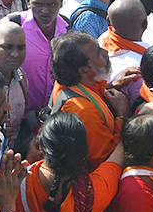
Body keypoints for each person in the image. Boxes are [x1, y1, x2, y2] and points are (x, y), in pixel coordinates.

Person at [50, 31, 137, 166]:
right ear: (83, 71)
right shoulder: (84, 111)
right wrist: (122, 116)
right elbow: (106, 159)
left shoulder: (69, 80)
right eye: (98, 53)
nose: (106, 52)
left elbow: (91, 90)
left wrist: (112, 85)